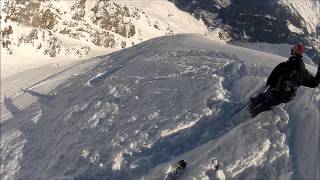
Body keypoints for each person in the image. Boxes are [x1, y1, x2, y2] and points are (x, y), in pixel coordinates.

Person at [249, 43, 320, 117]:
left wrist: (270, 87)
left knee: (264, 97)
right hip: (285, 97)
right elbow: (314, 83)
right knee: (268, 104)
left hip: (273, 91)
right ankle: (252, 114)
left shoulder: (283, 65)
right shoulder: (302, 71)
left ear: (293, 52)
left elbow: (271, 78)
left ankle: (252, 107)